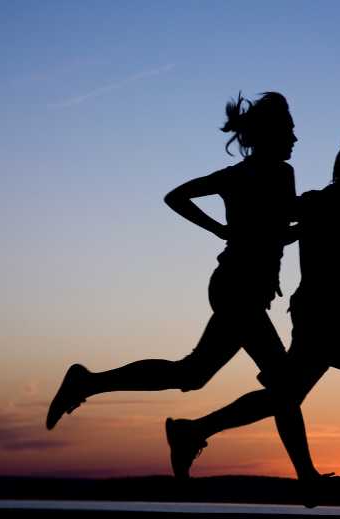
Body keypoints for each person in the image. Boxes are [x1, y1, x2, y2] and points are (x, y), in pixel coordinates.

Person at [165, 130, 340, 492]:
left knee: (284, 397)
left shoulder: (324, 202)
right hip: (323, 318)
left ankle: (193, 431)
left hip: (315, 315)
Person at [46, 93, 305, 449]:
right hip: (236, 290)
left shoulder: (272, 174)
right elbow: (176, 197)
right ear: (271, 134)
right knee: (284, 384)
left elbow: (277, 232)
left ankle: (89, 384)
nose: (295, 139)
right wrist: (222, 230)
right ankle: (302, 480)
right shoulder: (253, 176)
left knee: (193, 374)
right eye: (289, 130)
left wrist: (299, 225)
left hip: (245, 291)